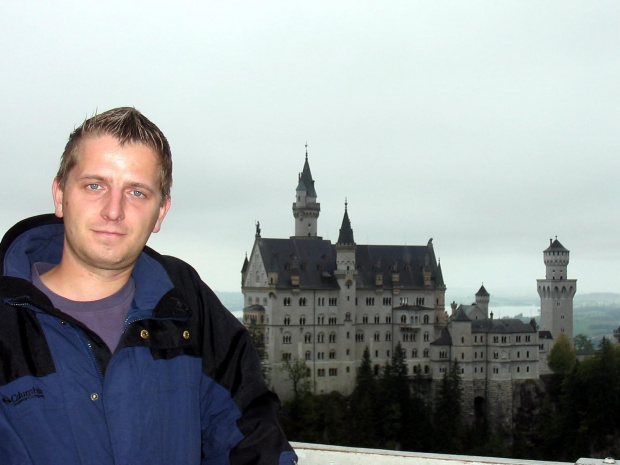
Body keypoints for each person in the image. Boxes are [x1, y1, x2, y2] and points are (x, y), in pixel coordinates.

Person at [0, 107, 297, 465]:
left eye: (137, 193)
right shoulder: (8, 322)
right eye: (95, 185)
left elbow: (251, 434)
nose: (114, 210)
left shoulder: (186, 305)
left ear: (161, 212)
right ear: (60, 194)